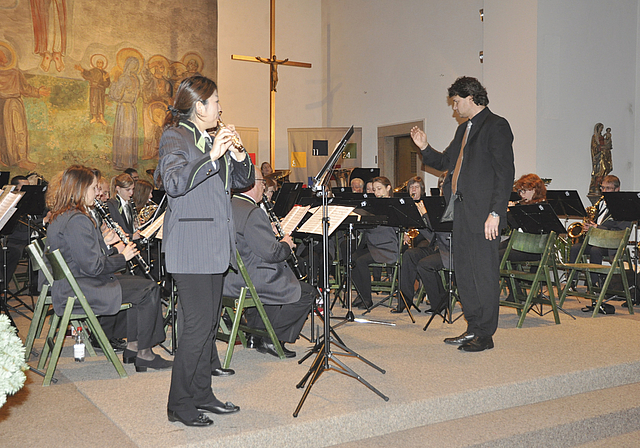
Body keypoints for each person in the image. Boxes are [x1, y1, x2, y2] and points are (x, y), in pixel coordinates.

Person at [157, 75, 253, 427]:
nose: (220, 108)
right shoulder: (175, 137)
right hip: (190, 246)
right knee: (196, 327)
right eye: (215, 102)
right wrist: (212, 156)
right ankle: (179, 404)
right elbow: (174, 183)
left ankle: (202, 394)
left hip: (214, 246)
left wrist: (238, 153)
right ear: (198, 106)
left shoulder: (209, 138)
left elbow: (243, 182)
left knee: (208, 326)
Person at [411, 76, 514, 352]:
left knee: (484, 273)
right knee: (465, 273)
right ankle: (473, 327)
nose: (454, 108)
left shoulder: (497, 126)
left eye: (456, 102)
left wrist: (496, 212)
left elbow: (505, 174)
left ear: (471, 98)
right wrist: (424, 146)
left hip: (484, 215)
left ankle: (486, 333)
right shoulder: (464, 130)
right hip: (462, 213)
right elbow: (444, 161)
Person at [45, 165, 170, 371]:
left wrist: (104, 242)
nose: (98, 193)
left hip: (75, 282)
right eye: (94, 188)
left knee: (142, 285)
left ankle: (133, 346)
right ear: (80, 189)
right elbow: (94, 267)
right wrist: (123, 257)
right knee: (148, 289)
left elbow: (80, 255)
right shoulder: (77, 220)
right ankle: (144, 352)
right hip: (83, 288)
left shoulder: (62, 215)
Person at [224, 170, 314, 357]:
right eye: (262, 183)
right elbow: (273, 254)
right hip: (249, 280)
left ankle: (253, 336)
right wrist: (286, 245)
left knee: (276, 282)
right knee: (306, 292)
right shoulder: (253, 212)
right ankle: (271, 338)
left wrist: (266, 230)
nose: (264, 187)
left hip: (230, 277)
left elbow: (247, 239)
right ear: (253, 184)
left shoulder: (229, 204)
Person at [569, 175, 632, 288]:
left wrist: (597, 228)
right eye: (603, 188)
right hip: (596, 240)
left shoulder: (624, 206)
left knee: (595, 250)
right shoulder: (600, 203)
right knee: (575, 248)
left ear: (617, 189)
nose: (604, 191)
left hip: (611, 244)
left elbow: (620, 229)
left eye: (608, 188)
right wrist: (588, 226)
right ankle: (572, 282)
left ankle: (593, 284)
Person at [351, 176, 400, 310]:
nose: (377, 193)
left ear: (388, 188)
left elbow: (398, 227)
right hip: (373, 245)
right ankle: (361, 294)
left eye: (379, 189)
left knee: (361, 262)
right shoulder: (373, 204)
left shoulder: (394, 205)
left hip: (387, 247)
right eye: (374, 190)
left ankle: (367, 299)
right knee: (351, 260)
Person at [106, 173, 139, 242]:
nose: (131, 193)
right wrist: (131, 236)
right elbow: (115, 229)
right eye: (128, 190)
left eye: (133, 189)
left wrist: (134, 226)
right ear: (118, 188)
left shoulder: (129, 203)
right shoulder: (111, 205)